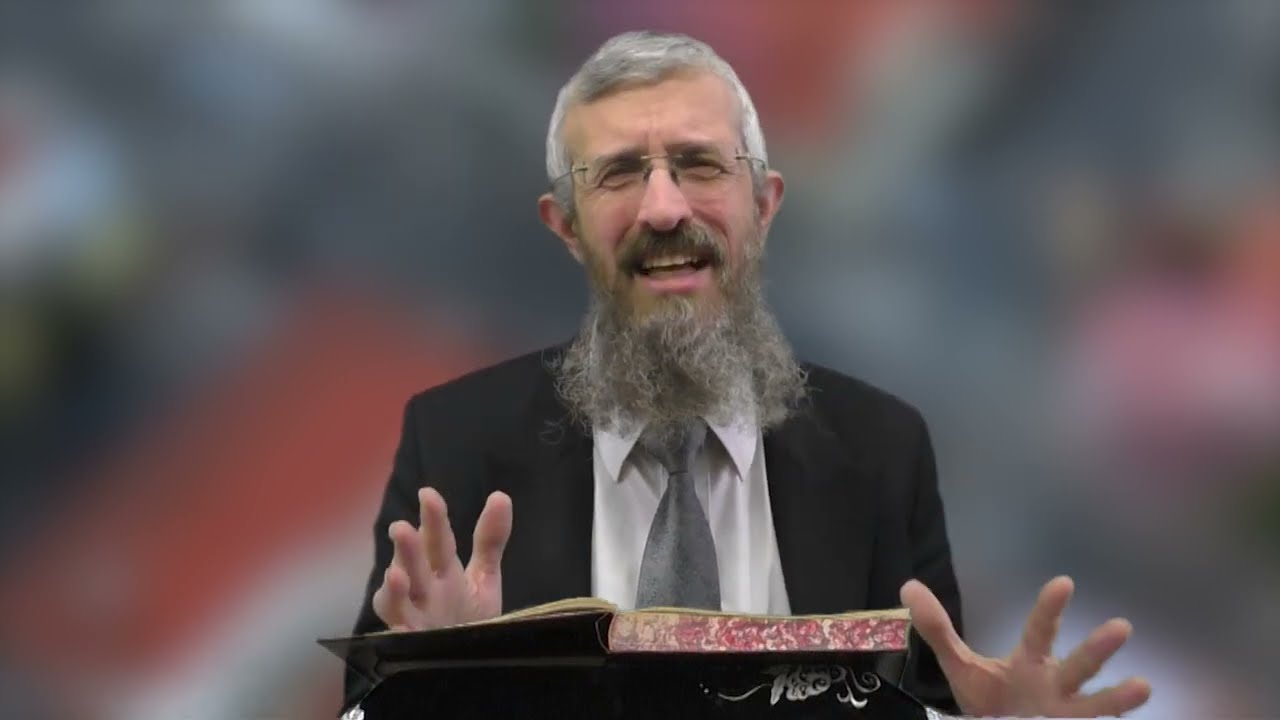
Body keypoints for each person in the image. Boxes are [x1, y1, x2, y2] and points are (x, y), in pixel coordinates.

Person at [344, 31, 1152, 717]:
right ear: (566, 227)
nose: (664, 209)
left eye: (699, 166)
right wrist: (430, 685)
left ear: (764, 204)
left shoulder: (883, 449)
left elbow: (923, 700)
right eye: (619, 174)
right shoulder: (457, 442)